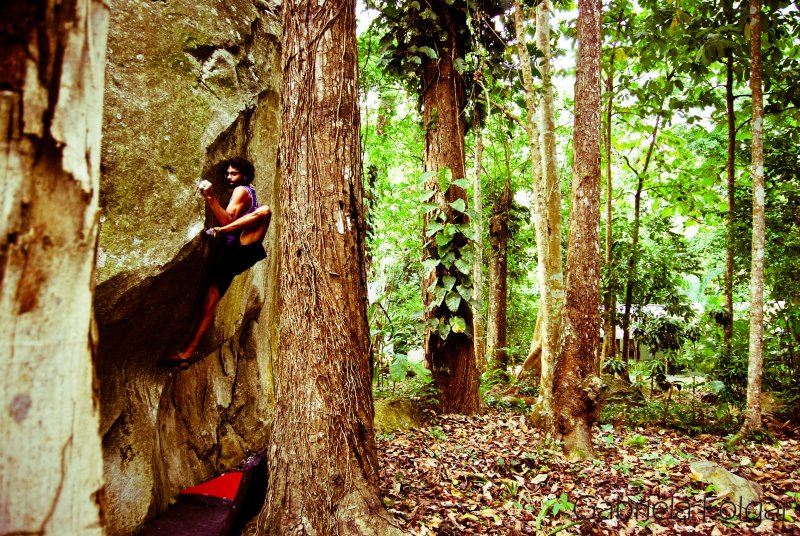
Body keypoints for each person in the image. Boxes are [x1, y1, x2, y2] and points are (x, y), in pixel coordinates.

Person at [158, 157, 271, 369]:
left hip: (238, 244)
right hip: (231, 257)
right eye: (227, 174)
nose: (229, 177)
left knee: (265, 211)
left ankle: (187, 353)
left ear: (244, 176)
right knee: (209, 303)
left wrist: (210, 198)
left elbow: (228, 220)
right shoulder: (249, 190)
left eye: (234, 174)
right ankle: (187, 354)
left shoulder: (242, 190)